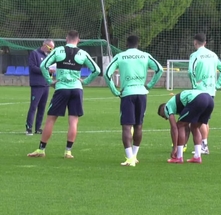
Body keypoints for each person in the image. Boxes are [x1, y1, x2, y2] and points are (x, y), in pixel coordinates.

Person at [27, 30, 100, 159]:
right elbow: (96, 70)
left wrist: (50, 81)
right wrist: (86, 81)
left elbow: (44, 65)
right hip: (77, 89)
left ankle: (41, 149)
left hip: (61, 88)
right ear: (78, 40)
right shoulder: (82, 53)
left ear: (66, 38)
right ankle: (68, 151)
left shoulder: (58, 51)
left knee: (51, 119)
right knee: (73, 121)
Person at [104, 35, 163, 167]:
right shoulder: (145, 55)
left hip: (127, 93)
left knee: (126, 126)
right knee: (139, 125)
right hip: (142, 92)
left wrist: (114, 90)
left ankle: (130, 158)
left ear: (126, 44)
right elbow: (159, 69)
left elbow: (107, 73)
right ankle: (134, 156)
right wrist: (149, 85)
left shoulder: (121, 56)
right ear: (138, 43)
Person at [187, 33, 221, 155]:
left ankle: (202, 145)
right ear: (205, 43)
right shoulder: (213, 55)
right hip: (211, 91)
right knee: (205, 120)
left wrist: (195, 84)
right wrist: (217, 85)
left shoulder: (195, 55)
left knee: (197, 120)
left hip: (199, 91)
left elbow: (190, 71)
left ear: (195, 42)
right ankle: (204, 145)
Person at [157, 90, 215, 164]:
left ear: (162, 109)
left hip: (198, 99)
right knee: (194, 127)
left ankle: (179, 157)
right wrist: (183, 144)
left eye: (163, 116)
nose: (165, 118)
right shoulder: (181, 107)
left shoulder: (167, 107)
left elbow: (174, 128)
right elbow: (186, 129)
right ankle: (197, 157)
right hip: (209, 100)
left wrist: (175, 147)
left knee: (179, 125)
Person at [25, 39, 55, 136]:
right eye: (50, 47)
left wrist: (51, 74)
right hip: (37, 84)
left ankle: (38, 128)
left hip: (46, 84)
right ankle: (29, 128)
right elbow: (33, 68)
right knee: (33, 106)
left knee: (42, 108)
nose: (51, 50)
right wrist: (46, 70)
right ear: (45, 45)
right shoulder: (35, 53)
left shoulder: (48, 56)